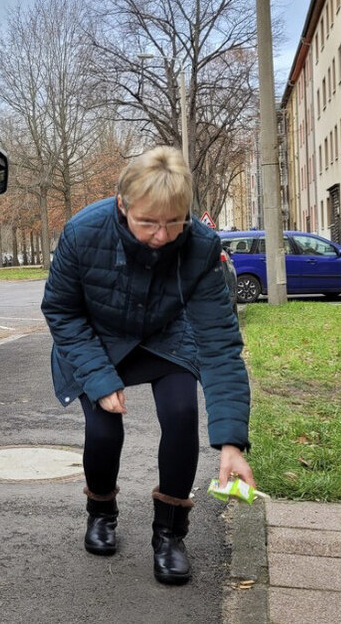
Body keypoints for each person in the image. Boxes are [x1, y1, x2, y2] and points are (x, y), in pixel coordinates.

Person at [40, 146, 255, 585]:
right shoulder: (84, 233)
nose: (161, 236)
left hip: (164, 334)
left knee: (181, 414)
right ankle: (101, 512)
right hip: (95, 337)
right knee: (104, 428)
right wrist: (99, 379)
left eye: (173, 222)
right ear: (123, 205)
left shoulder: (199, 247)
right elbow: (61, 311)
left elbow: (218, 344)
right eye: (148, 223)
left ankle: (170, 535)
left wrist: (232, 442)